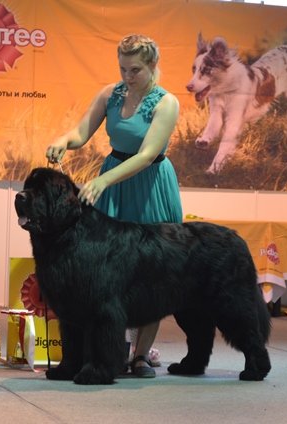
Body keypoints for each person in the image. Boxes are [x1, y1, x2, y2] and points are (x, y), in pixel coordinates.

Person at [46, 34, 183, 378]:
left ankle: (139, 356)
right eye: (122, 68)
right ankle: (110, 351)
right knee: (106, 274)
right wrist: (64, 141)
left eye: (135, 69)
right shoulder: (110, 94)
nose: (127, 76)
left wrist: (104, 181)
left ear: (152, 65)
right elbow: (81, 133)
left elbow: (148, 154)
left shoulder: (167, 103)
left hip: (149, 183)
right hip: (113, 182)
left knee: (152, 273)